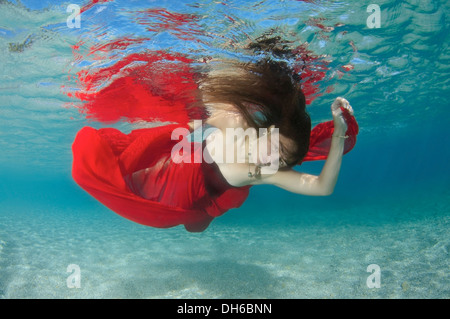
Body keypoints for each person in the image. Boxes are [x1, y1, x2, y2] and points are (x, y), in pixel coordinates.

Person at [71, 40, 358, 232]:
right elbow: (212, 93)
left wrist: (339, 134)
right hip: (168, 172)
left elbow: (322, 187)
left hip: (186, 200)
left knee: (196, 224)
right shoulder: (241, 124)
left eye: (279, 158)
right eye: (274, 144)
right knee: (110, 171)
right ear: (267, 131)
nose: (270, 156)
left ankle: (204, 214)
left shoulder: (259, 172)